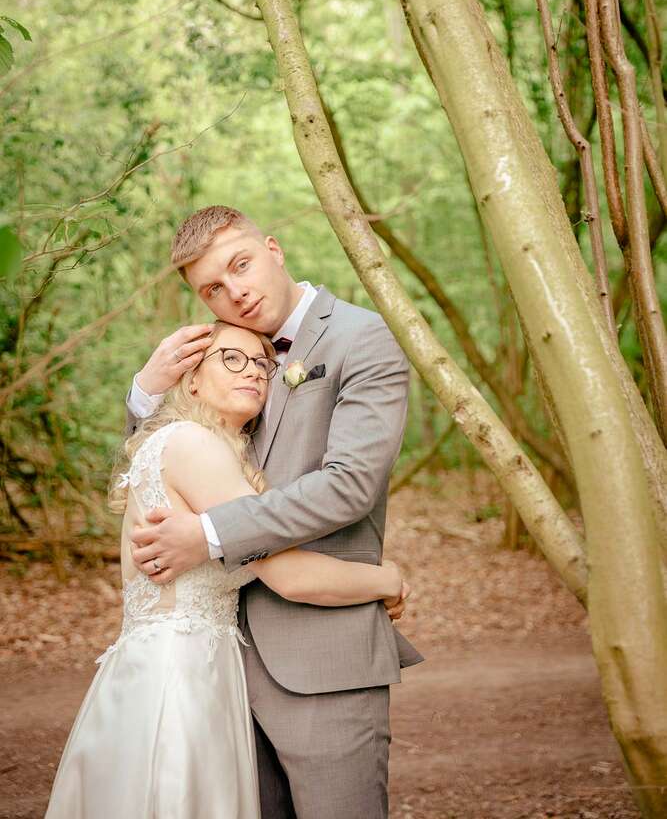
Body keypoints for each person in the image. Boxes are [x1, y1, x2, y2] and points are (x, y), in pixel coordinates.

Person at [128, 204, 423, 819]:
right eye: (212, 287)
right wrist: (144, 393)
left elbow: (349, 485)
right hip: (216, 667)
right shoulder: (226, 358)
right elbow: (169, 452)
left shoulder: (362, 337)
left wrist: (211, 534)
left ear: (273, 249)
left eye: (241, 266)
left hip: (323, 655)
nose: (233, 293)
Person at [45, 322, 406, 819]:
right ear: (191, 380)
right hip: (182, 681)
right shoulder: (194, 445)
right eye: (231, 359)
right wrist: (387, 579)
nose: (253, 372)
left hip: (170, 669)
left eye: (261, 362)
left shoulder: (182, 444)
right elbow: (287, 576)